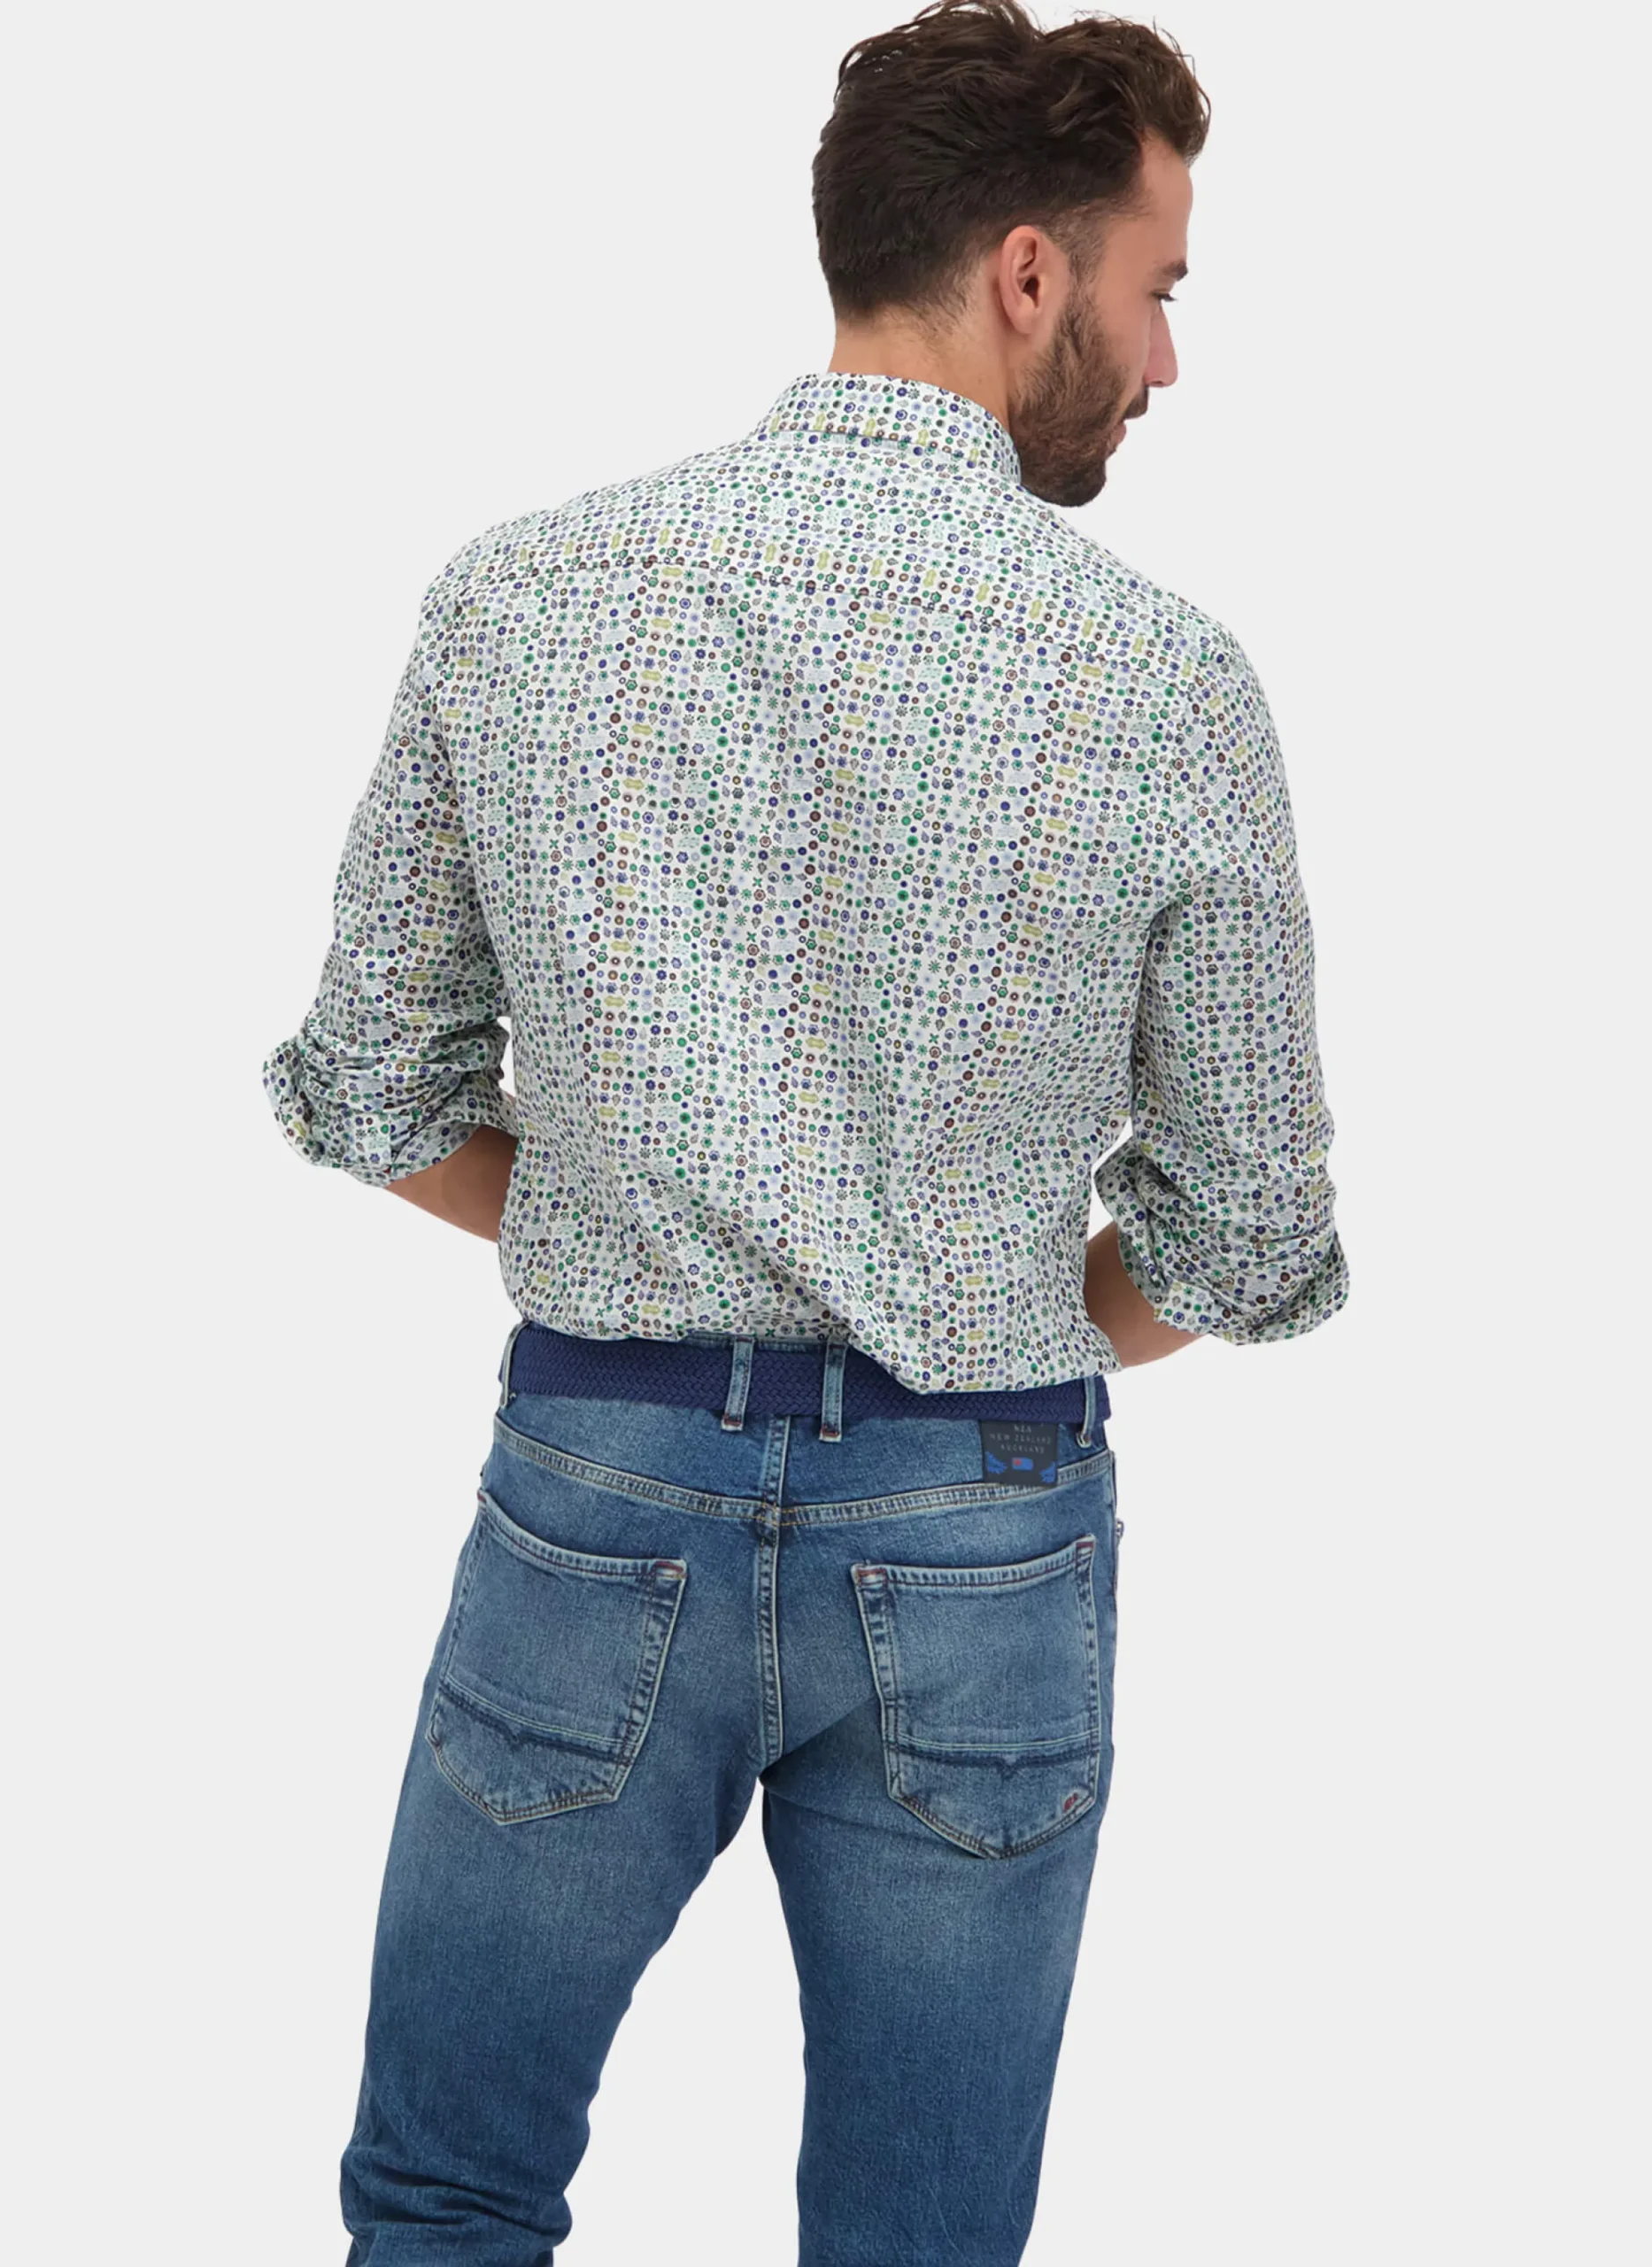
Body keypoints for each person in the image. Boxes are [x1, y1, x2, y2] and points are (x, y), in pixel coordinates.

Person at [260, 3, 1347, 2258]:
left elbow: (374, 1085)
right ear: (1028, 272)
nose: (1166, 361)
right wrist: (969, 1319)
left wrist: (631, 1226)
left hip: (598, 1494)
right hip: (984, 1529)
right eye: (1157, 290)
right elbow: (1245, 1235)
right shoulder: (1162, 679)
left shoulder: (527, 594)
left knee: (447, 2197)